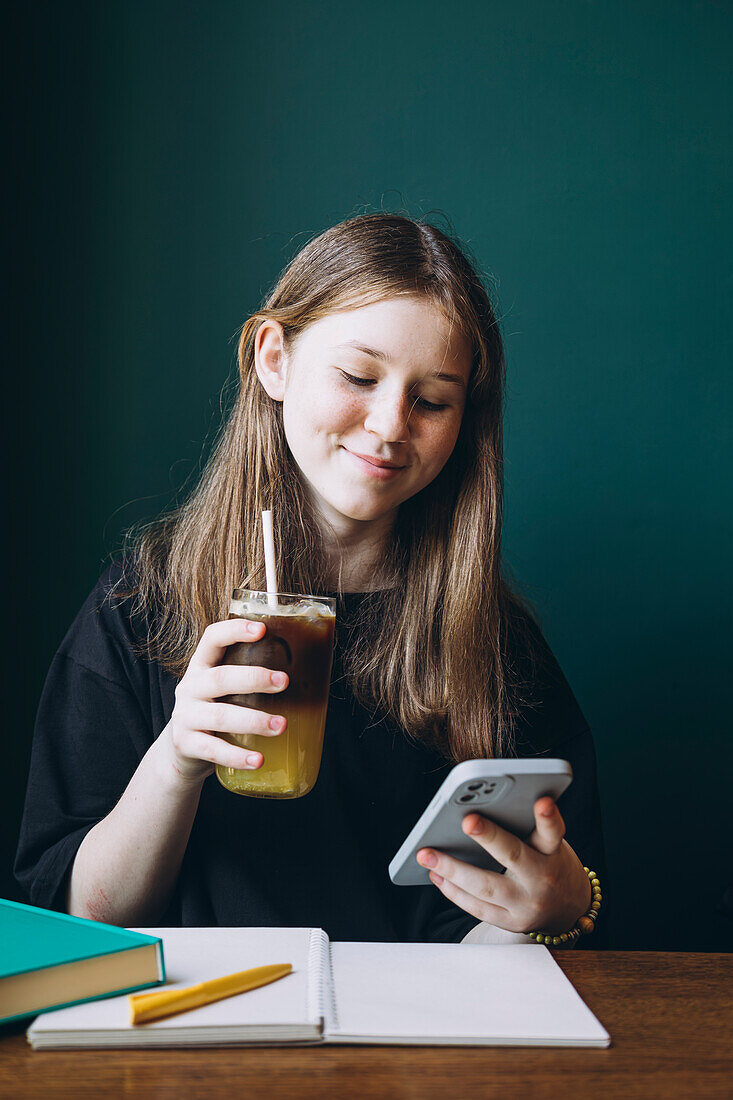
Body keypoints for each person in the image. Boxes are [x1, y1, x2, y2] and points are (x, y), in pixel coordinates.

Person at [15, 213, 608, 947]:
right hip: (204, 1042)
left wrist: (553, 912)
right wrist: (175, 762)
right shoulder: (141, 606)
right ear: (274, 359)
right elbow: (81, 920)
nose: (391, 425)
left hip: (421, 1048)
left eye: (432, 400)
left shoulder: (494, 644)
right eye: (359, 376)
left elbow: (493, 941)